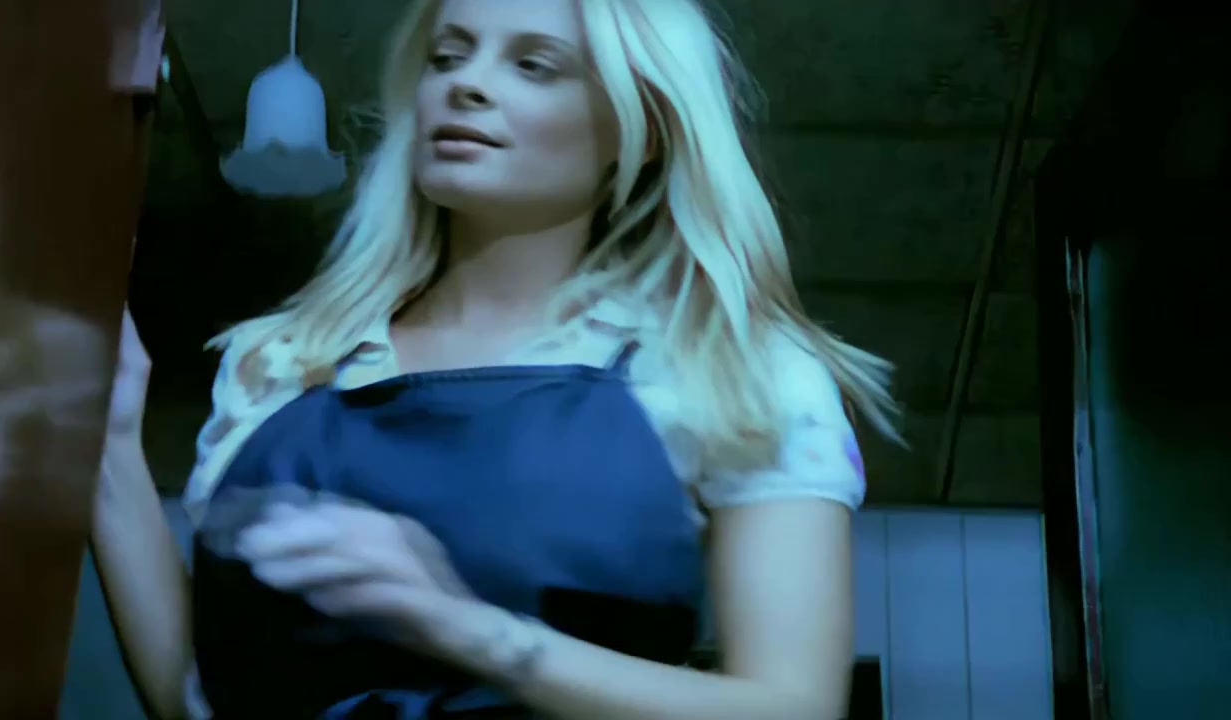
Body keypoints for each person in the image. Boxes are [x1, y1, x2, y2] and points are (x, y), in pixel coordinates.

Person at [93, 0, 899, 717]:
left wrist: (457, 624)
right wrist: (109, 445)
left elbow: (794, 707)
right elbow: (199, 698)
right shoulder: (277, 366)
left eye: (535, 65)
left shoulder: (735, 373)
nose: (466, 85)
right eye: (448, 56)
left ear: (642, 129)